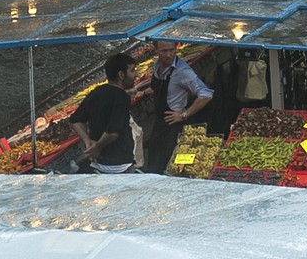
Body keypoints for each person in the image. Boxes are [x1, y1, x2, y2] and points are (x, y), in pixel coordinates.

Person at [142, 40, 213, 174]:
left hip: (174, 128)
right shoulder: (157, 65)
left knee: (172, 166)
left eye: (172, 50)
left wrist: (184, 114)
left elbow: (206, 94)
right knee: (154, 165)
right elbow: (159, 87)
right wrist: (143, 92)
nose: (168, 55)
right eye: (164, 51)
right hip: (159, 124)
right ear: (156, 50)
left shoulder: (183, 71)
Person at [70, 52, 137, 173]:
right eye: (132, 71)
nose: (136, 74)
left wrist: (88, 142)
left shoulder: (96, 92)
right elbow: (113, 131)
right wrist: (97, 146)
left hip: (98, 165)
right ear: (121, 75)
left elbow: (76, 120)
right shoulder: (122, 97)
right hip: (120, 165)